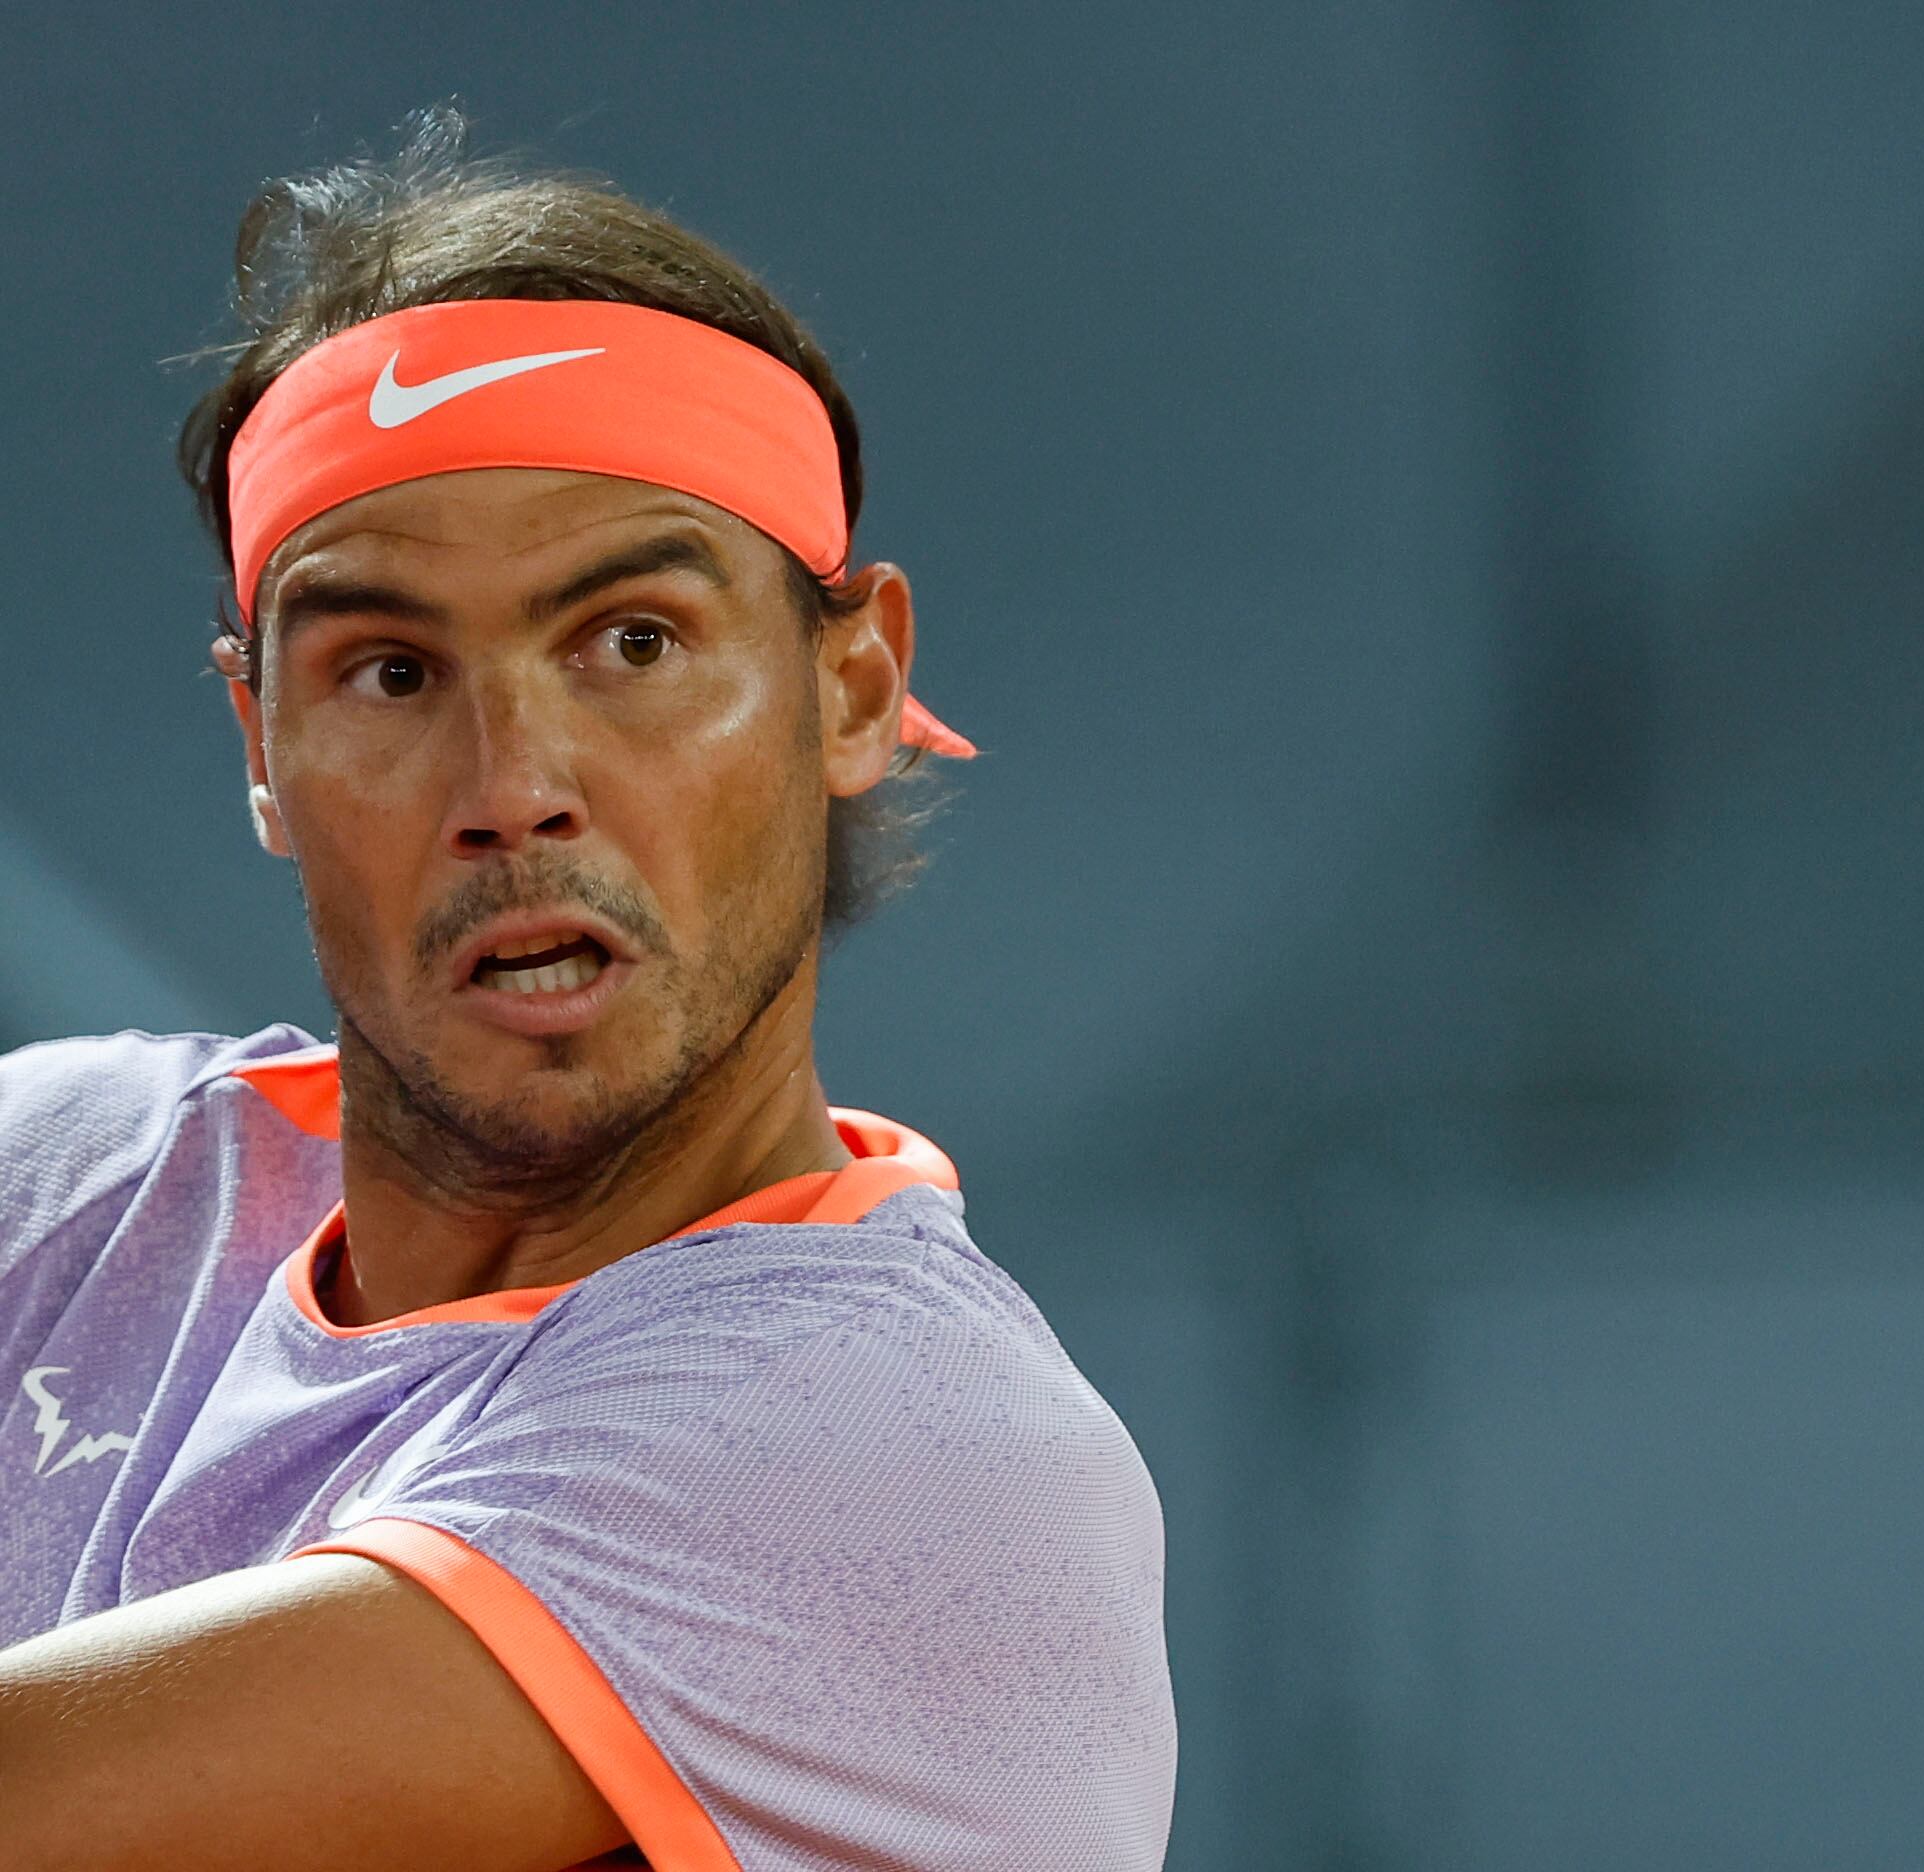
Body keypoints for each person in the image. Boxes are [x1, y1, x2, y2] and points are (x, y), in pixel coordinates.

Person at [0, 119, 1176, 1872]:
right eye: (390, 671)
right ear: (260, 747)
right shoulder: (71, 1180)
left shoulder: (908, 1447)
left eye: (632, 642)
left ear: (852, 688)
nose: (513, 781)